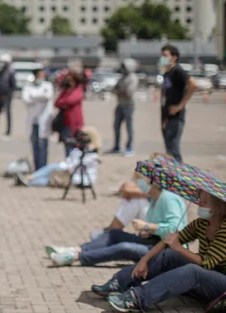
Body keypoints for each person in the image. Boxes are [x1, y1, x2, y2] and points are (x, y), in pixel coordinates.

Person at [93, 190, 226, 312]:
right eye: (199, 200)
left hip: (221, 285)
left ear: (219, 208)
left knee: (193, 270)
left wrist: (179, 247)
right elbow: (167, 242)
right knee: (170, 255)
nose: (199, 204)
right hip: (208, 273)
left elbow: (206, 263)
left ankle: (137, 299)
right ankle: (119, 282)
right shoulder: (201, 223)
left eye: (204, 202)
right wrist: (144, 260)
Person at [46, 177, 187, 267]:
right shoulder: (154, 198)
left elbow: (175, 229)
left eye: (145, 181)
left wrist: (148, 226)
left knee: (124, 247)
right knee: (114, 234)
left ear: (155, 183)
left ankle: (76, 257)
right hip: (153, 242)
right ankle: (78, 249)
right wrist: (148, 232)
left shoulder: (168, 199)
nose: (141, 184)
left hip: (165, 251)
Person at [15, 127, 100, 188]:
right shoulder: (80, 149)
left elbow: (74, 166)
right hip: (71, 173)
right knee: (52, 171)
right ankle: (28, 180)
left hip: (80, 178)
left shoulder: (92, 153)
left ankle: (29, 180)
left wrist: (62, 166)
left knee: (51, 177)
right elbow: (70, 160)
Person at [159, 45, 196, 162]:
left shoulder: (178, 71)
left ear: (174, 57)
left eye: (165, 56)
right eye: (162, 56)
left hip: (176, 116)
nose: (162, 58)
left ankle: (180, 176)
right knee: (169, 150)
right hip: (167, 115)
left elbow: (193, 84)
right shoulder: (166, 73)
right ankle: (172, 176)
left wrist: (181, 105)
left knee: (174, 150)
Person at [22, 68, 54, 170]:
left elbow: (48, 96)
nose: (42, 77)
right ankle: (37, 168)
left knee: (43, 145)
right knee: (34, 145)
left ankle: (43, 168)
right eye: (40, 75)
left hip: (44, 120)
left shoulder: (48, 85)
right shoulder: (28, 86)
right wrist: (39, 97)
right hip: (33, 120)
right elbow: (26, 99)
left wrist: (34, 97)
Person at [108, 58, 139, 157]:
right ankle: (116, 146)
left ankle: (129, 147)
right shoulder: (121, 78)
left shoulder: (133, 78)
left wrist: (120, 91)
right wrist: (120, 91)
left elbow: (129, 93)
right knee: (116, 126)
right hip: (120, 105)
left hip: (128, 105)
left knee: (129, 127)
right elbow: (113, 90)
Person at [54, 70, 85, 156]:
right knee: (67, 144)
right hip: (64, 123)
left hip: (74, 123)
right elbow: (57, 103)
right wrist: (64, 102)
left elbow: (71, 100)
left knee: (74, 145)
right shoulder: (65, 91)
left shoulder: (78, 89)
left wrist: (64, 103)